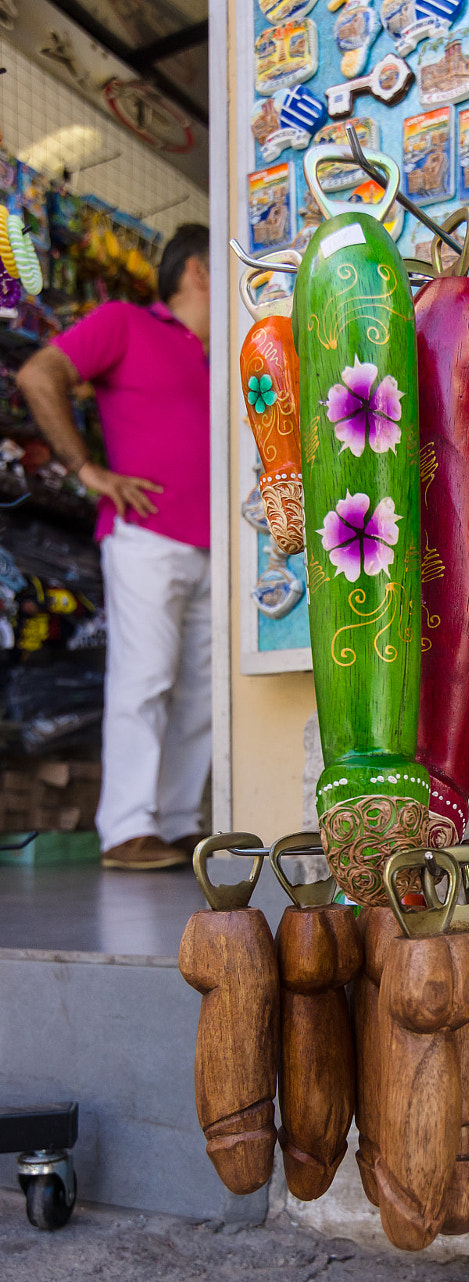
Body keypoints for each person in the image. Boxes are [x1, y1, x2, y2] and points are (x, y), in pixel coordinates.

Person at [18, 224, 212, 870]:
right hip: (145, 537)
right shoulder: (124, 321)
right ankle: (126, 828)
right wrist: (84, 469)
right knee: (146, 678)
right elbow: (39, 373)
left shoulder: (218, 354)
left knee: (202, 692)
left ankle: (179, 820)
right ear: (198, 272)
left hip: (217, 546)